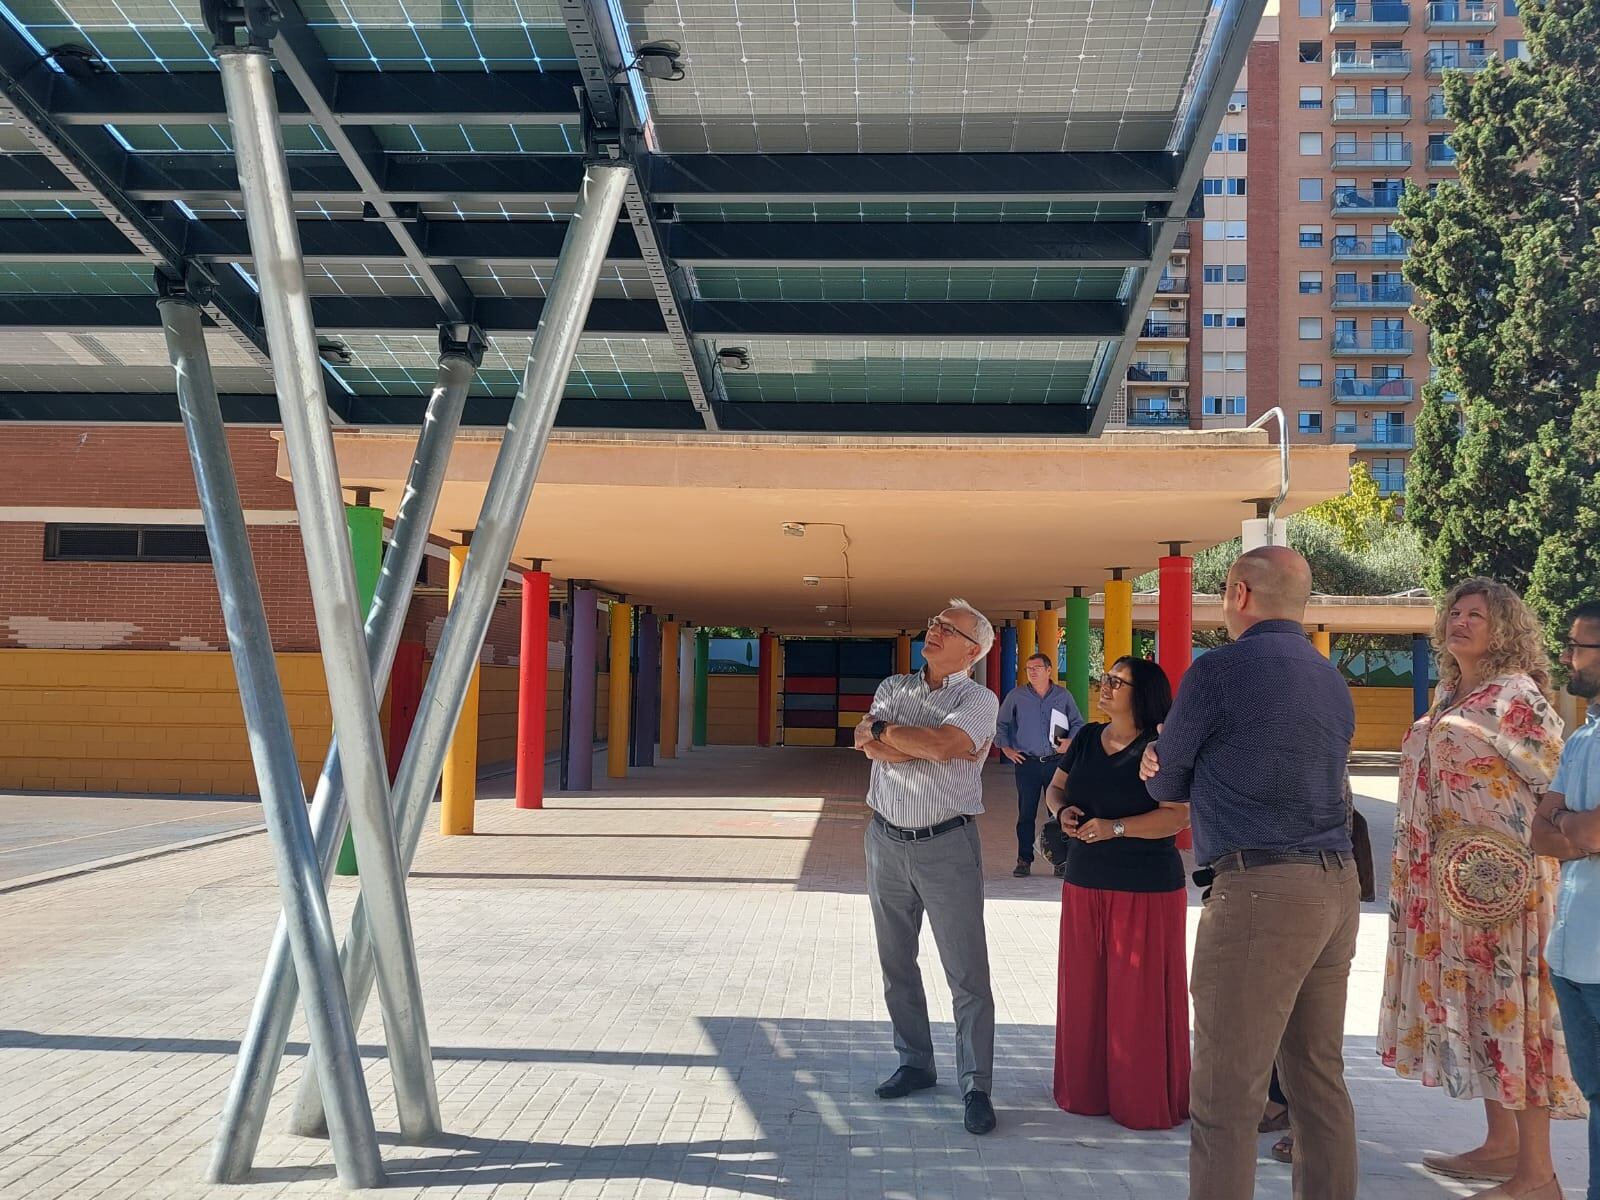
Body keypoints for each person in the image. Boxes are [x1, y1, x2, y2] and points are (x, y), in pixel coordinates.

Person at [1140, 545, 1359, 1200]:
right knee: (1318, 1084)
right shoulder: (1330, 677)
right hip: (1336, 885)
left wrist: (1157, 755)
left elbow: (1168, 783)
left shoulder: (1218, 672)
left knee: (1226, 1098)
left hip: (1260, 889)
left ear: (1239, 595)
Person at [1379, 578, 1580, 1200]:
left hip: (1506, 893)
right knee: (1482, 1012)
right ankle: (1501, 1147)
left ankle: (1538, 1176)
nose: (1460, 622)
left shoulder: (1516, 697)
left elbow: (1562, 782)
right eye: (1456, 612)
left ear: (1505, 630)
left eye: (1477, 616)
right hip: (1450, 887)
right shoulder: (1450, 694)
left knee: (1516, 1016)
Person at [855, 599, 1001, 1136]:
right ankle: (915, 1062)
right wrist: (905, 741)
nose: (934, 631)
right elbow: (868, 744)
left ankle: (976, 1085)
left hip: (948, 846)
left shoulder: (979, 698)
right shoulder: (895, 687)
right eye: (935, 623)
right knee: (897, 963)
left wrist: (891, 735)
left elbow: (945, 745)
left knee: (966, 972)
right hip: (885, 841)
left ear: (972, 650)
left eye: (949, 628)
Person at [1044, 656, 1190, 1129]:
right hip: (1084, 880)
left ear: (1141, 693)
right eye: (1104, 678)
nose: (1103, 686)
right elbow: (1056, 788)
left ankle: (1141, 1099)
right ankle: (1085, 1091)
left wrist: (1116, 828)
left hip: (1144, 887)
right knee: (1083, 992)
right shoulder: (1086, 737)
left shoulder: (1161, 747)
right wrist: (1063, 812)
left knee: (1139, 1000)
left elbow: (1176, 815)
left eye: (1115, 681)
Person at [1533, 600, 1600, 1200]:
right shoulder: (1582, 737)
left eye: (1580, 647)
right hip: (1573, 953)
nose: (1568, 658)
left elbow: (1588, 833)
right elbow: (1538, 832)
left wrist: (1569, 824)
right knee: (1596, 1098)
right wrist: (1574, 827)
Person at [998, 652, 1085, 878]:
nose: (1032, 671)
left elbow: (1077, 723)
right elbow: (1002, 724)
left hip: (1056, 764)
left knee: (1058, 813)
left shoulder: (1063, 696)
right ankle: (1024, 859)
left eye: (1037, 667)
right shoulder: (1016, 696)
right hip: (1027, 763)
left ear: (1049, 670)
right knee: (1026, 814)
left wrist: (1070, 742)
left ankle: (1060, 861)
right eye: (1028, 668)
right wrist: (1006, 748)